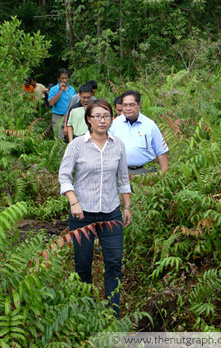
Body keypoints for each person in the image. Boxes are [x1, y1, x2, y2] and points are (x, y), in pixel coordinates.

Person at [59, 99, 131, 317]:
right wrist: (74, 201)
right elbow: (64, 175)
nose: (102, 120)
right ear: (88, 119)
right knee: (83, 264)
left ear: (112, 118)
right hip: (82, 215)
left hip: (111, 212)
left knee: (114, 262)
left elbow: (123, 178)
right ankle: (85, 311)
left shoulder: (117, 144)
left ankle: (112, 313)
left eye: (107, 115)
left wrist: (126, 206)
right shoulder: (77, 145)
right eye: (97, 116)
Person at [109, 90, 168, 175]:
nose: (128, 108)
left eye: (132, 105)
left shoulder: (150, 125)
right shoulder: (113, 125)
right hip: (120, 172)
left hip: (146, 172)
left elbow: (161, 152)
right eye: (125, 105)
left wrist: (165, 177)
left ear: (139, 105)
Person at [48, 68, 76, 139]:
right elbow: (51, 103)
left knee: (71, 138)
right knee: (59, 139)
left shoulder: (72, 90)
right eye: (62, 78)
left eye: (66, 78)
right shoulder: (53, 89)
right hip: (58, 116)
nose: (64, 80)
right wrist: (60, 90)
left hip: (70, 117)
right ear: (58, 79)